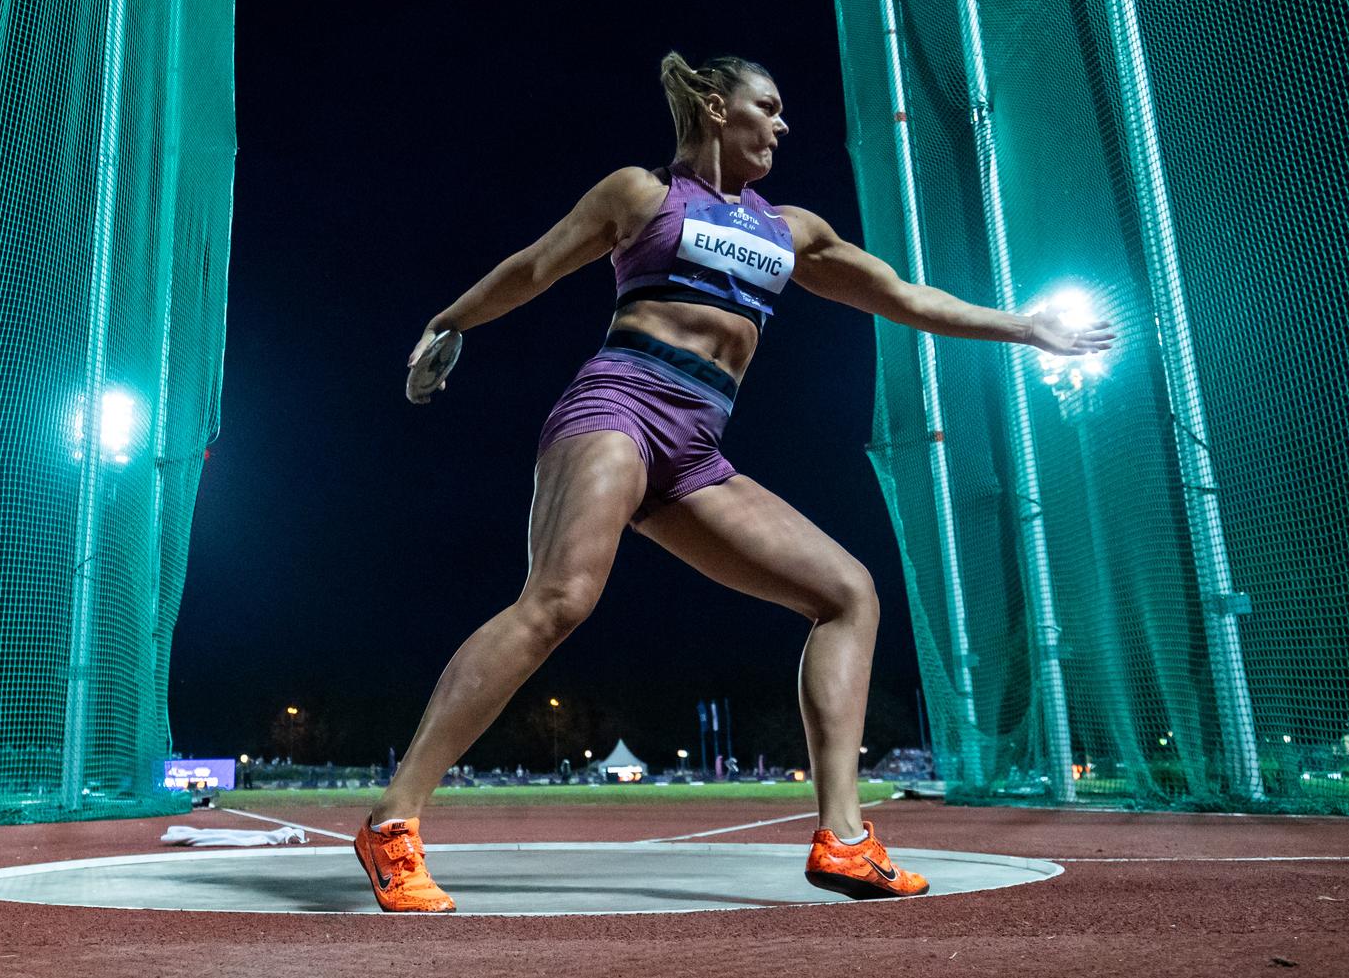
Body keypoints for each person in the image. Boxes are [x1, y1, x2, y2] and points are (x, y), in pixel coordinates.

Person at [353, 52, 1115, 911]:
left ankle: (845, 839)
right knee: (561, 598)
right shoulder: (641, 196)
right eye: (770, 106)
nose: (784, 125)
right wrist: (448, 321)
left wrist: (1025, 326)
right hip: (619, 405)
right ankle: (392, 820)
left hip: (697, 452)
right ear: (717, 108)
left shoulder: (790, 230)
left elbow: (902, 297)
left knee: (847, 593)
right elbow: (534, 267)